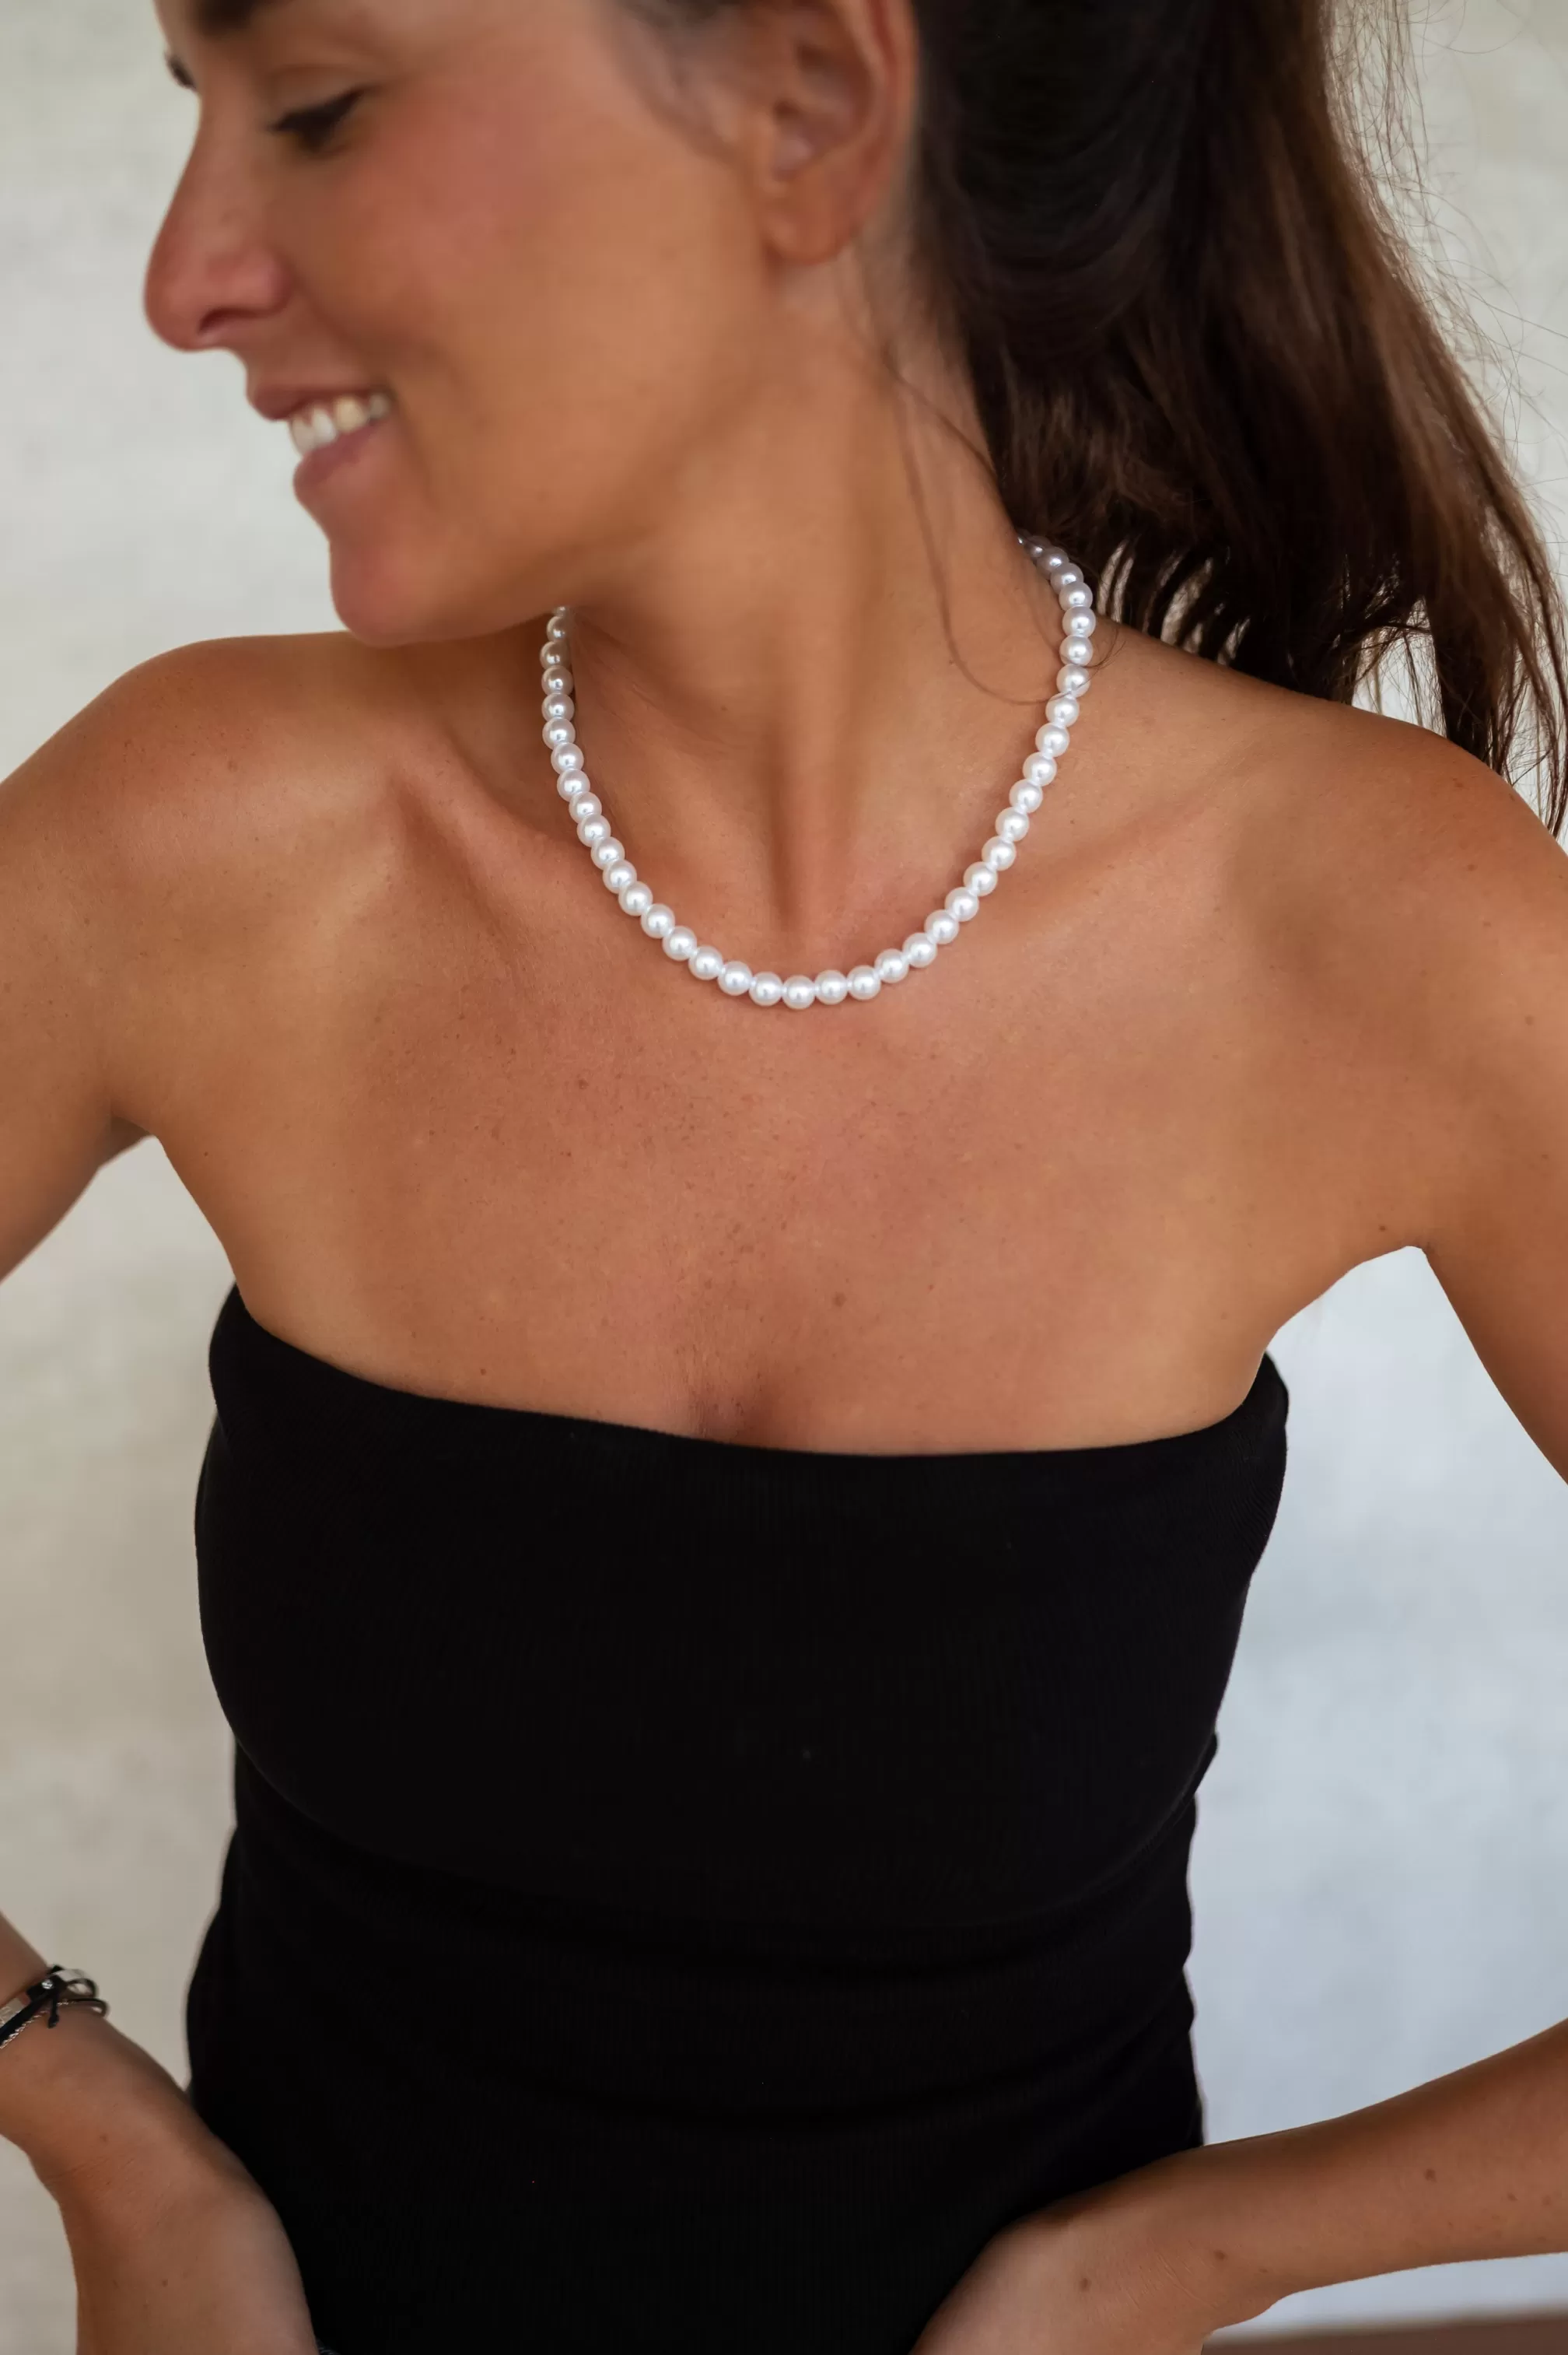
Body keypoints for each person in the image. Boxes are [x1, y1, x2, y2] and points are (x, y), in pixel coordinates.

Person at [2, 0, 1568, 2348]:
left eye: (317, 108)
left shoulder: (1382, 932)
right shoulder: (199, 843)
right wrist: (93, 2134)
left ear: (813, 111)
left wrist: (1177, 2257)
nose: (188, 275)